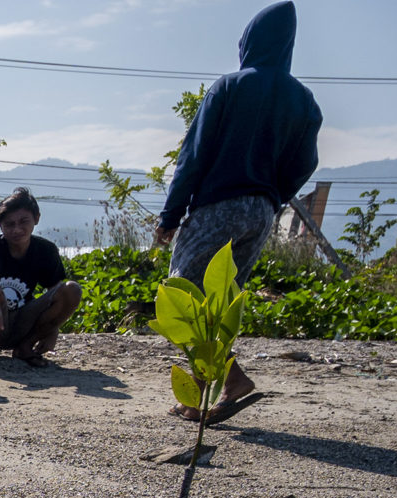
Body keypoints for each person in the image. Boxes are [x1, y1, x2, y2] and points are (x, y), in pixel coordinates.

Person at [157, 0, 320, 421]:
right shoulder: (304, 100)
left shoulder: (229, 87)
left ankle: (227, 383)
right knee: (219, 304)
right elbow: (306, 164)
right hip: (262, 213)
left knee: (181, 296)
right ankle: (198, 396)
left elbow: (193, 156)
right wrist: (273, 196)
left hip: (218, 207)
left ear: (249, 41)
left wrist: (170, 216)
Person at [0, 188, 81, 368]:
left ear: (36, 219)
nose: (17, 229)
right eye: (9, 224)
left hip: (22, 322)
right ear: (0, 226)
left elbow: (57, 292)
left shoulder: (45, 250)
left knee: (72, 289)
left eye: (23, 221)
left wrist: (52, 331)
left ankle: (25, 347)